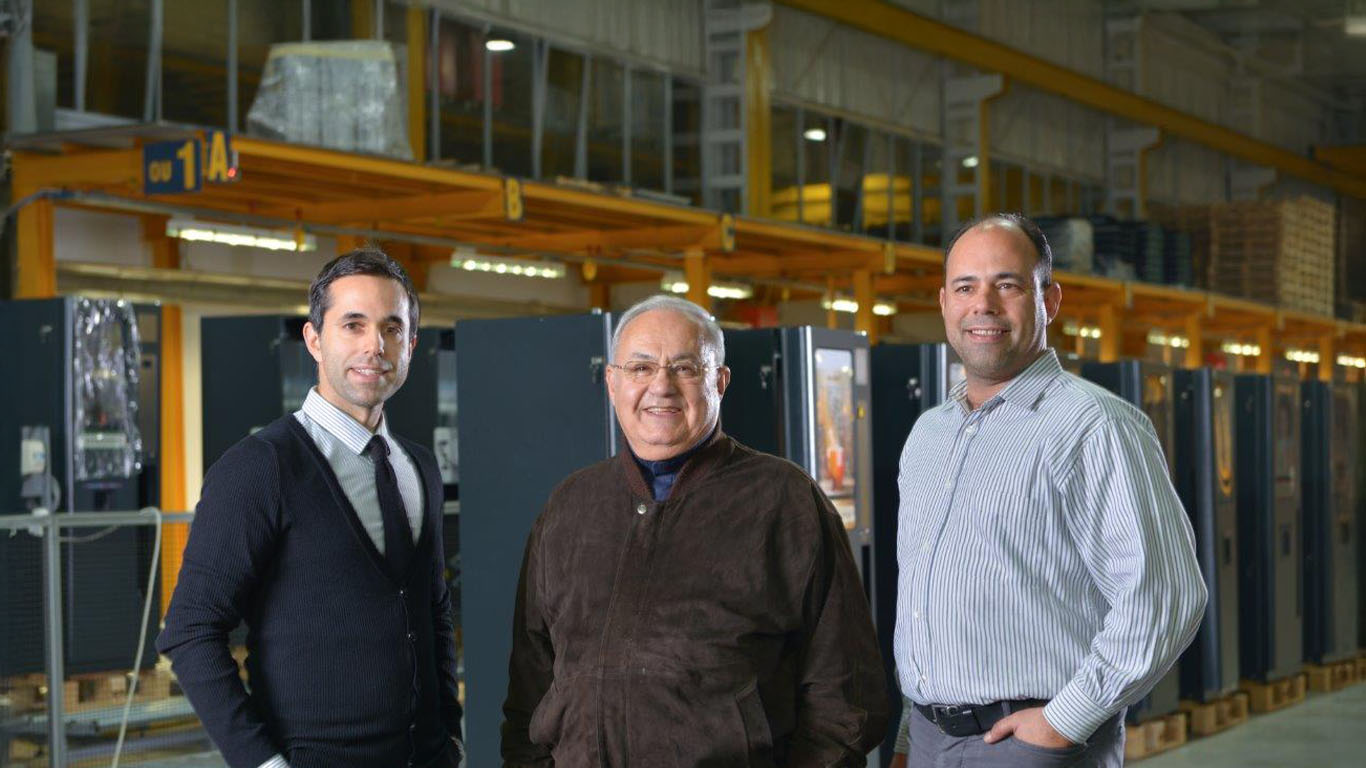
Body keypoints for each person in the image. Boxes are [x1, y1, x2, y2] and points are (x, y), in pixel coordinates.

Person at [501, 295, 888, 767]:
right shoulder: (570, 506)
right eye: (641, 368)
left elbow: (846, 698)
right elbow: (529, 690)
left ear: (719, 382)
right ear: (612, 383)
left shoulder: (785, 502)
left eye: (684, 368)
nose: (661, 386)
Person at [894, 214, 1206, 767]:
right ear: (944, 303)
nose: (983, 305)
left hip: (1030, 745)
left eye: (1007, 285)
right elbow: (926, 603)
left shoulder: (1093, 426)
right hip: (927, 740)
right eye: (965, 287)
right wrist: (908, 734)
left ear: (1049, 300)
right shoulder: (928, 436)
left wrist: (1066, 719)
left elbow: (1166, 595)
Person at [158, 250, 463, 768]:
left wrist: (450, 737)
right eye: (353, 325)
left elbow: (434, 610)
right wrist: (263, 762)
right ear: (315, 339)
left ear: (411, 345)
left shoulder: (419, 466)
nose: (374, 346)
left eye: (392, 328)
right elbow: (190, 630)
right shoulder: (261, 468)